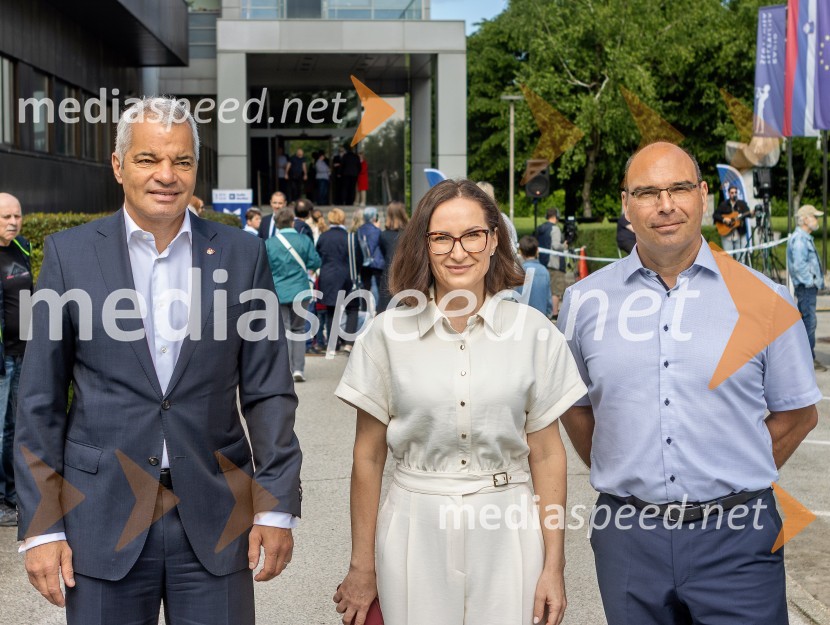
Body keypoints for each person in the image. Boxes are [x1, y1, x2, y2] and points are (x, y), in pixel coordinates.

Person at [13, 97, 302, 625]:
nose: (166, 175)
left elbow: (269, 392)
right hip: (100, 515)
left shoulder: (242, 254)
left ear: (196, 168)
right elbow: (39, 401)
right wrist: (42, 526)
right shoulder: (67, 255)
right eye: (148, 159)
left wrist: (276, 503)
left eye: (182, 161)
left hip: (217, 515)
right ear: (119, 165)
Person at [557, 142, 819, 625]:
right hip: (629, 536)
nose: (665, 205)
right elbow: (574, 406)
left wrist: (733, 473)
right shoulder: (582, 302)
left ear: (702, 195)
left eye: (679, 188)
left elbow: (799, 414)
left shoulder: (766, 300)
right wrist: (625, 467)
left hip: (739, 538)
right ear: (625, 204)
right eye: (647, 192)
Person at [332, 179, 586, 625]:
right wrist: (361, 564)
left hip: (509, 525)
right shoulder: (387, 335)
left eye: (472, 235)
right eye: (442, 237)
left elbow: (548, 455)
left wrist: (554, 565)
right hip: (415, 524)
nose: (458, 251)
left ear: (493, 241)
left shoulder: (534, 333)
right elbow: (367, 457)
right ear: (423, 246)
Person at [0, 193, 32, 528]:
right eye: (6, 217)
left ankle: (11, 493)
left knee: (17, 427)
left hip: (24, 352)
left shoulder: (22, 247)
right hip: (2, 358)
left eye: (17, 216)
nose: (13, 222)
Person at [265, 208, 321, 383]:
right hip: (300, 290)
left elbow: (264, 267)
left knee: (285, 330)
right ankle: (298, 369)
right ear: (292, 222)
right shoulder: (304, 240)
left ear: (276, 224)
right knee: (299, 329)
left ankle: (286, 370)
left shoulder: (270, 243)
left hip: (279, 291)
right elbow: (315, 262)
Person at [316, 208, 362, 354]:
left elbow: (318, 256)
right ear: (343, 219)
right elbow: (359, 258)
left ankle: (332, 344)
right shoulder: (350, 237)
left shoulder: (323, 237)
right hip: (348, 276)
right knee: (352, 309)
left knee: (331, 310)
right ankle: (348, 344)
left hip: (328, 276)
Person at [787, 204, 827, 371]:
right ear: (805, 219)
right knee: (808, 323)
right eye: (814, 216)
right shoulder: (800, 240)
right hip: (805, 288)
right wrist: (810, 281)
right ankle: (807, 360)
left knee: (808, 322)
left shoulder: (803, 238)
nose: (817, 220)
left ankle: (806, 358)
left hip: (806, 288)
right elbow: (798, 265)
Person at [535, 208, 567, 316]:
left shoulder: (540, 228)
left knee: (545, 288)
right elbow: (556, 245)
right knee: (556, 290)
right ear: (555, 216)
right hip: (555, 263)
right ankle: (554, 313)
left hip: (542, 262)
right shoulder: (555, 229)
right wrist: (564, 246)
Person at [377, 201, 408, 313]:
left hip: (388, 275)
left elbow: (383, 252)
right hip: (406, 275)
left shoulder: (383, 235)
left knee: (386, 313)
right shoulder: (409, 234)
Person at [518, 235, 553, 318]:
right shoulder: (544, 271)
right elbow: (548, 297)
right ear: (537, 251)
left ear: (520, 252)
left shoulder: (518, 271)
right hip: (540, 317)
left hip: (522, 317)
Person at [357, 206, 384, 307]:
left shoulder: (359, 230)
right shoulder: (377, 231)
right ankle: (378, 310)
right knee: (378, 287)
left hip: (363, 263)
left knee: (365, 287)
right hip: (377, 263)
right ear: (374, 217)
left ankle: (364, 309)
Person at [713, 184, 751, 254]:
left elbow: (749, 214)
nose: (734, 194)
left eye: (735, 192)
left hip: (740, 234)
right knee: (729, 258)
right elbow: (715, 215)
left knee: (741, 257)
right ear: (729, 194)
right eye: (732, 193)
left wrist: (753, 213)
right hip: (727, 235)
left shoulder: (741, 204)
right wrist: (724, 219)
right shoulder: (723, 204)